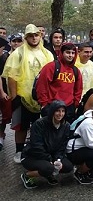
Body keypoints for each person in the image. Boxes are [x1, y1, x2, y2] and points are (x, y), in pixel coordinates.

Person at [2, 24, 54, 163]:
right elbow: (11, 75)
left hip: (42, 97)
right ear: (26, 37)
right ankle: (19, 151)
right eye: (30, 35)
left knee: (41, 125)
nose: (34, 38)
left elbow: (52, 75)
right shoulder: (18, 53)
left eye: (36, 35)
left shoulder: (47, 53)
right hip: (22, 96)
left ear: (40, 36)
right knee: (21, 126)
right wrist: (14, 96)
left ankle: (38, 151)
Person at [20, 100, 73, 189]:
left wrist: (58, 159)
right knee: (48, 168)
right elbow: (36, 145)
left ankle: (48, 173)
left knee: (68, 166)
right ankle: (27, 175)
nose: (60, 114)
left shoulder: (66, 125)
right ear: (52, 111)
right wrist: (50, 160)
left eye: (63, 111)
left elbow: (62, 146)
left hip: (51, 155)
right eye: (57, 111)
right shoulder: (39, 124)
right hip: (32, 155)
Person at [35, 42, 83, 123]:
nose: (70, 55)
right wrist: (44, 105)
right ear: (62, 52)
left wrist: (75, 105)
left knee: (66, 134)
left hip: (69, 108)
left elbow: (78, 89)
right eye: (67, 52)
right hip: (51, 107)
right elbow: (41, 86)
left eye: (73, 53)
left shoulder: (76, 71)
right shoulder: (51, 67)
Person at [0, 34, 23, 151]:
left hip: (20, 93)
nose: (17, 43)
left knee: (13, 119)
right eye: (14, 41)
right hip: (4, 91)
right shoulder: (5, 57)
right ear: (10, 43)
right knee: (4, 116)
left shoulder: (25, 56)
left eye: (19, 41)